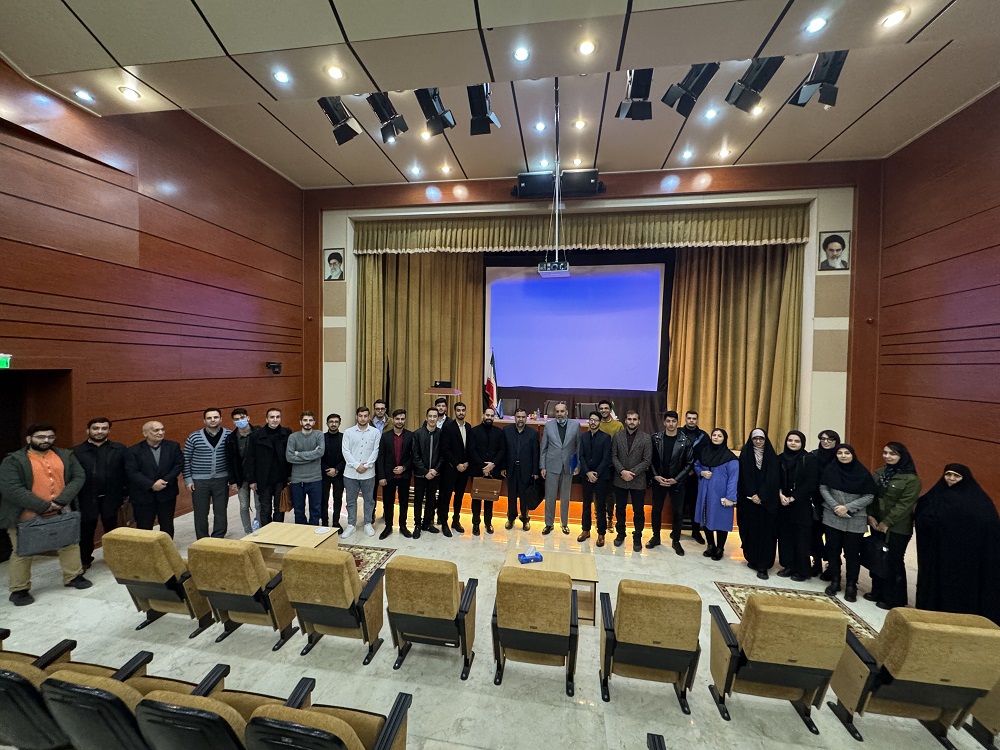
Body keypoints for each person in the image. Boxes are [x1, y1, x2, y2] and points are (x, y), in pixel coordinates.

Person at [0, 423, 92, 605]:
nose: (46, 440)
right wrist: (42, 506)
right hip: (26, 513)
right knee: (22, 551)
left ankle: (73, 576)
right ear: (29, 439)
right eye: (40, 437)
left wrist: (60, 501)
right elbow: (11, 488)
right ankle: (19, 589)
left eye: (50, 437)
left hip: (62, 509)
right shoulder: (13, 460)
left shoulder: (65, 455)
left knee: (69, 544)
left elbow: (78, 477)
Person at [915, 464, 1000, 624]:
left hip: (965, 558)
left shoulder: (978, 500)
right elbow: (923, 514)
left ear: (964, 478)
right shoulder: (936, 494)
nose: (951, 478)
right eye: (948, 474)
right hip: (939, 553)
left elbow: (989, 525)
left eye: (956, 476)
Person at [867, 442, 921, 609]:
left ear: (901, 456)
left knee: (893, 560)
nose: (888, 456)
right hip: (876, 523)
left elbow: (905, 505)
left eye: (893, 454)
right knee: (877, 557)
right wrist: (870, 515)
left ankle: (894, 599)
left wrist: (887, 522)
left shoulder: (911, 480)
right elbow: (871, 495)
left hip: (898, 527)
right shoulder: (880, 472)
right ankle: (877, 591)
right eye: (885, 453)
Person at [820, 444, 876, 602]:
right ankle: (835, 580)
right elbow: (823, 488)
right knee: (833, 550)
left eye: (847, 453)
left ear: (853, 455)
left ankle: (851, 585)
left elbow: (869, 496)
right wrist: (835, 507)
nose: (843, 456)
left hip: (855, 518)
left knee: (852, 553)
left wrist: (847, 508)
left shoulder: (862, 473)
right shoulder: (830, 469)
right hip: (832, 515)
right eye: (840, 453)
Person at [72, 417, 128, 570]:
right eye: (96, 428)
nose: (100, 431)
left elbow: (127, 472)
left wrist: (126, 493)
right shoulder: (76, 452)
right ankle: (84, 560)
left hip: (113, 496)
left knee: (114, 529)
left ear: (109, 430)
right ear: (88, 430)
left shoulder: (120, 449)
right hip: (86, 498)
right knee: (86, 530)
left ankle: (115, 558)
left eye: (104, 428)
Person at [126, 421, 183, 538]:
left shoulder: (173, 446)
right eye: (156, 430)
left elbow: (178, 465)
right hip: (143, 496)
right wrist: (151, 484)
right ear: (145, 433)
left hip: (167, 493)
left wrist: (165, 480)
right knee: (144, 528)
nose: (160, 432)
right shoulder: (133, 451)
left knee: (167, 526)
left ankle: (166, 548)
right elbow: (132, 472)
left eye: (162, 429)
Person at [648, 411, 694, 555]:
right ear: (664, 422)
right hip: (659, 481)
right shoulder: (655, 438)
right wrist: (656, 476)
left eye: (673, 421)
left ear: (677, 422)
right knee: (656, 510)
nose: (671, 424)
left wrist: (676, 479)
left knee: (678, 512)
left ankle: (676, 541)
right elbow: (649, 459)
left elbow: (689, 463)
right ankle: (656, 537)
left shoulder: (685, 441)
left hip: (677, 483)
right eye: (668, 421)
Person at [776, 431, 819, 581]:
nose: (793, 443)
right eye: (790, 440)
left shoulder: (809, 459)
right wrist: (780, 494)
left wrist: (793, 497)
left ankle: (802, 570)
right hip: (783, 503)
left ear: (802, 443)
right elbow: (775, 479)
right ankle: (788, 566)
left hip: (802, 504)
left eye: (797, 441)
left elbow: (811, 483)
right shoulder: (780, 458)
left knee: (801, 539)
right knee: (785, 537)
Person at [737, 429, 780, 579]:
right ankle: (752, 559)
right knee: (750, 532)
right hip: (749, 502)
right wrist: (753, 494)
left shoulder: (771, 456)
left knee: (766, 534)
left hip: (767, 503)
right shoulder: (745, 454)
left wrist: (761, 495)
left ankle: (763, 565)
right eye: (755, 438)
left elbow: (773, 478)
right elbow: (744, 477)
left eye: (761, 438)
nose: (758, 441)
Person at [183, 408, 231, 539]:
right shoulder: (194, 437)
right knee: (200, 512)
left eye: (215, 417)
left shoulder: (229, 435)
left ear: (221, 419)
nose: (212, 420)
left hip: (222, 479)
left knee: (221, 511)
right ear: (204, 421)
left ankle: (218, 537)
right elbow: (185, 459)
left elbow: (233, 458)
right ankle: (202, 538)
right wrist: (188, 479)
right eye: (209, 418)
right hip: (199, 481)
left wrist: (232, 478)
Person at [694, 428, 739, 560]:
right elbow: (696, 465)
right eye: (714, 435)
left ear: (724, 439)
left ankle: (720, 548)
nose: (716, 437)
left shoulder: (730, 458)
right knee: (706, 518)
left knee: (721, 520)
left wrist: (730, 497)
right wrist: (701, 473)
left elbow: (733, 479)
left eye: (720, 436)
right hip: (705, 492)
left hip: (721, 495)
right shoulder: (704, 452)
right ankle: (710, 545)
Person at [611, 410, 652, 552]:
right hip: (620, 478)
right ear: (625, 420)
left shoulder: (646, 438)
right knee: (620, 509)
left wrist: (632, 473)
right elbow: (613, 456)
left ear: (639, 421)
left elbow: (647, 460)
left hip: (638, 480)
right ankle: (620, 533)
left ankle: (637, 536)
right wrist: (622, 471)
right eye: (629, 419)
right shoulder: (617, 436)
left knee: (638, 511)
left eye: (634, 419)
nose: (632, 422)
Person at [540, 401, 580, 535]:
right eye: (557, 411)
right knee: (550, 497)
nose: (559, 414)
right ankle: (548, 524)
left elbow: (578, 447)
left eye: (562, 411)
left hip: (568, 466)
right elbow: (543, 448)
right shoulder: (548, 425)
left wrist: (577, 465)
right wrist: (542, 466)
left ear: (566, 412)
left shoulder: (575, 425)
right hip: (551, 465)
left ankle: (564, 523)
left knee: (565, 497)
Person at [246, 408, 291, 525]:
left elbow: (289, 457)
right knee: (265, 509)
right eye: (272, 417)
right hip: (263, 479)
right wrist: (252, 480)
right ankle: (267, 532)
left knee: (279, 508)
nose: (275, 420)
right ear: (266, 419)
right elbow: (250, 458)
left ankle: (278, 532)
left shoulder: (286, 433)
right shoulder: (256, 436)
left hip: (281, 478)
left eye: (277, 417)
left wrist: (290, 476)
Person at [341, 406, 379, 538]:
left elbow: (376, 450)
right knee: (351, 500)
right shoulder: (348, 432)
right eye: (360, 416)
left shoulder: (375, 432)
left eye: (365, 416)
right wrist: (357, 465)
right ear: (356, 417)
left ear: (369, 417)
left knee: (369, 500)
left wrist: (367, 466)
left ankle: (368, 523)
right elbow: (345, 451)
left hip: (369, 474)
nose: (363, 418)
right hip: (351, 474)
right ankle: (351, 524)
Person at [577, 411, 613, 546]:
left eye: (596, 420)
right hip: (586, 476)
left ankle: (601, 533)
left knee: (601, 505)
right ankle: (585, 530)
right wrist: (587, 472)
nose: (593, 422)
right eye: (591, 420)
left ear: (600, 422)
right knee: (586, 504)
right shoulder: (584, 436)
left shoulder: (606, 437)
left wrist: (596, 473)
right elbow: (581, 456)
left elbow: (606, 458)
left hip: (601, 477)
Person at [376, 409, 413, 539]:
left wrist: (404, 467)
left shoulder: (410, 436)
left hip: (404, 476)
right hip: (388, 476)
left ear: (405, 420)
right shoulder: (385, 436)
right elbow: (380, 457)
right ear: (393, 420)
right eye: (397, 419)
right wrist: (381, 476)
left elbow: (413, 456)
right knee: (388, 502)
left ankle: (403, 526)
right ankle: (388, 527)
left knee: (404, 502)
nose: (400, 421)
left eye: (402, 419)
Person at [468, 406, 505, 535]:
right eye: (487, 415)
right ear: (483, 416)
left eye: (492, 416)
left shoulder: (499, 432)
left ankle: (488, 523)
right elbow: (472, 450)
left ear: (494, 417)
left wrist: (492, 465)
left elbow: (502, 450)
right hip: (477, 470)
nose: (489, 418)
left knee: (489, 499)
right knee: (476, 498)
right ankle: (475, 524)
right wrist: (484, 466)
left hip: (493, 470)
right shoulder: (474, 431)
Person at [285, 411, 325, 526]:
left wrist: (299, 454)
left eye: (310, 420)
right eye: (305, 420)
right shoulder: (293, 437)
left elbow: (320, 452)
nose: (308, 422)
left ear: (314, 422)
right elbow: (289, 457)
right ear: (300, 422)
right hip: (298, 480)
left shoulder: (319, 435)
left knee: (315, 510)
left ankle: (313, 532)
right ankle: (302, 533)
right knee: (298, 511)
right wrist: (312, 456)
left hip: (315, 479)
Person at [810, 429, 841, 578]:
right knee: (814, 534)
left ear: (836, 441)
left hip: (834, 503)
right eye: (823, 439)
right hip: (815, 501)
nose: (826, 442)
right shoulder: (813, 455)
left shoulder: (840, 456)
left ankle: (831, 565)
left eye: (830, 439)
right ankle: (816, 562)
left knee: (832, 537)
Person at [502, 408, 539, 531]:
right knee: (511, 496)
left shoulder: (533, 433)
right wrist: (503, 467)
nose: (521, 419)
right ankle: (511, 518)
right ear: (515, 418)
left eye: (523, 417)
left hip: (526, 470)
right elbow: (503, 450)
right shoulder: (506, 430)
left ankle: (525, 519)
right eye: (518, 417)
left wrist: (535, 471)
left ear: (526, 418)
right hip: (511, 469)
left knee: (524, 497)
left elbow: (535, 453)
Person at [440, 401, 473, 536]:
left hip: (464, 469)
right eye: (458, 410)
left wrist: (467, 463)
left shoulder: (469, 427)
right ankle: (444, 523)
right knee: (446, 496)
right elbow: (445, 449)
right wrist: (456, 464)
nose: (461, 412)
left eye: (463, 410)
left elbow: (470, 448)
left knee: (459, 496)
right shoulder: (448, 427)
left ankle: (456, 520)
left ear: (465, 412)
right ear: (455, 412)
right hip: (450, 469)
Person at [411, 407, 443, 539]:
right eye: (430, 416)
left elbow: (443, 455)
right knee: (418, 500)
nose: (432, 419)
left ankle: (427, 523)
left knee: (431, 499)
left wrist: (435, 470)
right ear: (426, 417)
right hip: (421, 474)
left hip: (435, 474)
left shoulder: (441, 434)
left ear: (438, 418)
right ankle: (417, 524)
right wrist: (425, 472)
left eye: (435, 416)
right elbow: (415, 455)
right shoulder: (417, 434)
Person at [225, 407, 257, 535]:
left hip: (256, 476)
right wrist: (232, 480)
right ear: (233, 421)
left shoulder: (258, 433)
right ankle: (248, 532)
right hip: (240, 478)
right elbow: (229, 461)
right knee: (244, 506)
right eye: (237, 419)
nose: (240, 421)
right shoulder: (231, 438)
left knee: (259, 505)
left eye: (242, 418)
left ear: (248, 417)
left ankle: (261, 529)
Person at [680, 410, 710, 544]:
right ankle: (676, 531)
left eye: (694, 418)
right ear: (685, 419)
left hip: (697, 477)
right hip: (680, 476)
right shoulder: (678, 433)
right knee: (679, 505)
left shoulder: (704, 436)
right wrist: (684, 470)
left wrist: (694, 469)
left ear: (697, 420)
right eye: (689, 418)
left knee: (695, 505)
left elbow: (705, 456)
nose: (691, 420)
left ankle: (696, 531)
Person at [597, 399, 623, 529]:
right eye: (601, 408)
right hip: (597, 464)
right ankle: (598, 519)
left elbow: (621, 445)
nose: (604, 410)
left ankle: (610, 519)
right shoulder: (595, 423)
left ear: (610, 410)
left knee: (611, 494)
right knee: (598, 494)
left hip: (612, 465)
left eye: (606, 408)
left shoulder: (618, 425)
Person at [321, 414, 346, 529]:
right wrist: (326, 469)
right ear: (327, 423)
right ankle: (324, 522)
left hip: (339, 473)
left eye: (336, 422)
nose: (333, 424)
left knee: (338, 499)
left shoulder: (344, 437)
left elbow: (346, 457)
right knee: (323, 499)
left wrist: (337, 469)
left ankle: (336, 522)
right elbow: (318, 456)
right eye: (331, 421)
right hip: (324, 473)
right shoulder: (321, 438)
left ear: (339, 423)